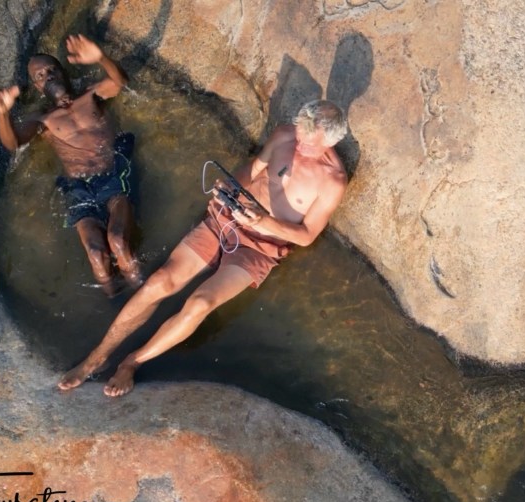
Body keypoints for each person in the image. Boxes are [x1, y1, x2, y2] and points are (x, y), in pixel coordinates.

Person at [59, 100, 349, 397]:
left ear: (330, 142)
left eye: (309, 144)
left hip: (261, 247)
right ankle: (97, 357)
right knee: (160, 281)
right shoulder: (285, 135)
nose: (299, 145)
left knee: (200, 303)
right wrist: (230, 187)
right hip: (226, 217)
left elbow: (306, 235)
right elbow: (254, 168)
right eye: (300, 136)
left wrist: (264, 222)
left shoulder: (333, 181)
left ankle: (132, 362)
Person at [0, 34, 142, 295]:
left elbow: (120, 82)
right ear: (37, 87)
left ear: (63, 72)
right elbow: (13, 143)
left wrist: (101, 57)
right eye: (40, 76)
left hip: (112, 176)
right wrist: (2, 114)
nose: (47, 76)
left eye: (51, 69)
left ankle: (145, 293)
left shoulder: (91, 95)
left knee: (118, 240)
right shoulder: (43, 119)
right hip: (79, 188)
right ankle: (116, 302)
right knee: (96, 254)